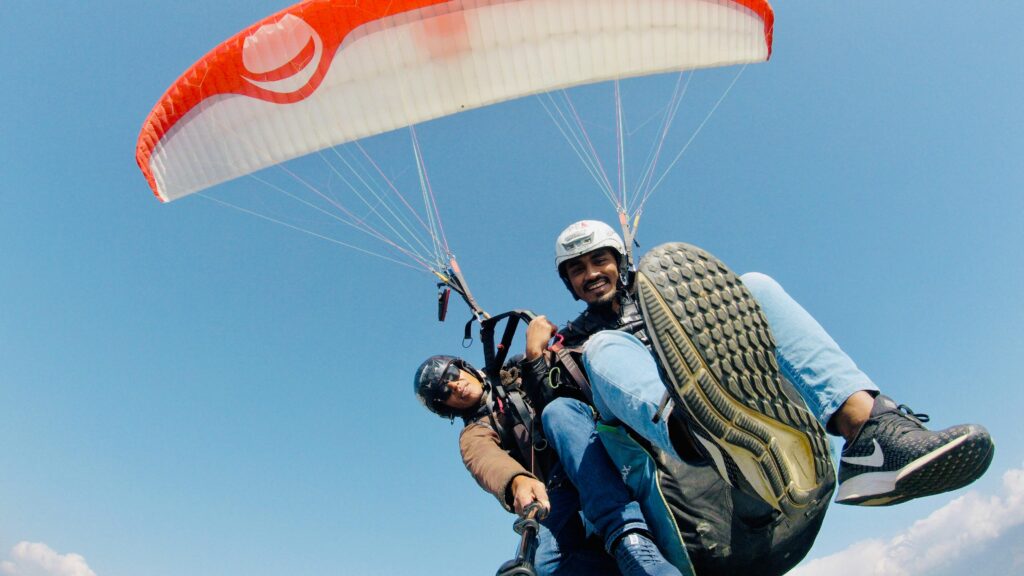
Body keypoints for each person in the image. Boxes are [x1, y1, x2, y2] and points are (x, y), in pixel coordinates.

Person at [526, 220, 994, 509]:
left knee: (756, 285)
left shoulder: (662, 297)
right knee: (607, 346)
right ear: (568, 282)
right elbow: (558, 417)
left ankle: (870, 434)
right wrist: (537, 358)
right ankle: (703, 435)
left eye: (599, 260)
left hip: (712, 384)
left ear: (619, 261)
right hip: (654, 434)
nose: (590, 275)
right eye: (577, 269)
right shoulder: (575, 338)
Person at [413, 355, 685, 576]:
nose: (454, 386)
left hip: (594, 447)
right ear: (446, 407)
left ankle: (629, 540)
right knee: (543, 566)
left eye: (451, 375)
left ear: (464, 367)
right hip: (555, 487)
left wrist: (537, 356)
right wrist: (516, 480)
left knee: (557, 412)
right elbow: (484, 458)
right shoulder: (475, 433)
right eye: (443, 392)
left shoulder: (520, 370)